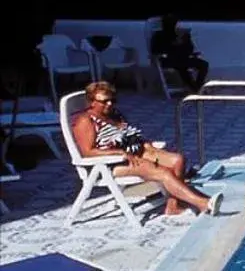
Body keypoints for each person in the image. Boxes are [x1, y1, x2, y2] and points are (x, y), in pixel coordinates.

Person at [70, 81, 220, 217]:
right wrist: (119, 153)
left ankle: (173, 206)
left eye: (112, 100)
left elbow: (127, 135)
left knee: (178, 160)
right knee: (164, 172)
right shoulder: (85, 121)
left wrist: (146, 145)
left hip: (135, 152)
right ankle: (203, 203)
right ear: (91, 102)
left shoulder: (114, 114)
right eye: (104, 101)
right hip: (111, 164)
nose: (109, 104)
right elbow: (87, 152)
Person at [150, 15, 209, 95]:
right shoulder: (159, 35)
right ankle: (195, 88)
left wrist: (184, 40)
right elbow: (155, 51)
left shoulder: (181, 34)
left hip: (183, 58)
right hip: (169, 60)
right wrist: (172, 45)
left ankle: (196, 87)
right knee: (182, 67)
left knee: (204, 64)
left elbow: (190, 49)